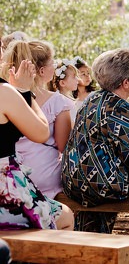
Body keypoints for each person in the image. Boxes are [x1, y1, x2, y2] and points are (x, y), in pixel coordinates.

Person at [61, 48, 129, 236]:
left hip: (72, 179)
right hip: (99, 184)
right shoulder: (122, 110)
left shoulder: (91, 101)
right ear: (125, 83)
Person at [0, 56, 74, 230]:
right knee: (65, 215)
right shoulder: (4, 92)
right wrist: (25, 91)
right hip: (5, 193)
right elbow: (41, 133)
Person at [14, 46, 75, 199]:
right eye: (52, 64)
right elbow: (64, 146)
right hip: (43, 176)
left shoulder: (9, 97)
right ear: (41, 71)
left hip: (14, 174)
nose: (55, 67)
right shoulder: (58, 102)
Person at [70, 56, 96, 126]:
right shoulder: (70, 97)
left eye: (88, 73)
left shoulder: (93, 95)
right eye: (83, 74)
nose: (87, 76)